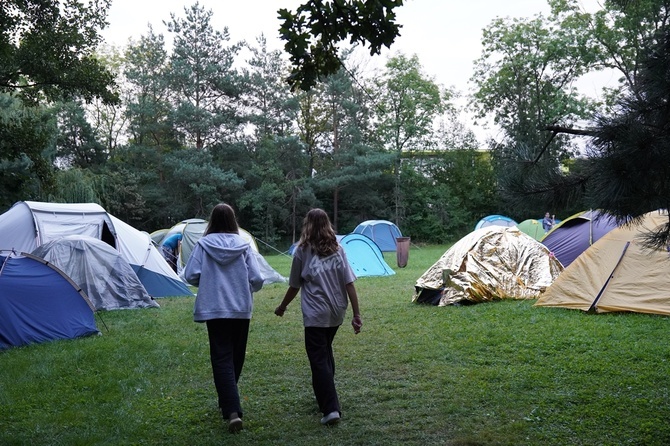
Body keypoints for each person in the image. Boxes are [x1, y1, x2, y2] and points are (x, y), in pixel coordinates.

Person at [274, 208, 362, 426]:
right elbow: (349, 283)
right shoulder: (338, 249)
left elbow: (295, 285)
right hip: (337, 312)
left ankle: (331, 408)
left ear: (308, 225)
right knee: (324, 351)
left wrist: (282, 306)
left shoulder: (302, 251)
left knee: (318, 359)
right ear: (327, 225)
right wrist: (356, 314)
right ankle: (324, 396)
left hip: (316, 313)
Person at [183, 203, 264, 434]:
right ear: (233, 221)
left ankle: (230, 407)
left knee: (221, 357)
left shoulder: (203, 245)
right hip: (240, 307)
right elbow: (257, 278)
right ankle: (231, 406)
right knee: (235, 356)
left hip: (215, 307)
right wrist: (247, 288)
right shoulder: (244, 245)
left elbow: (190, 275)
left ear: (212, 221)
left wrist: (208, 280)